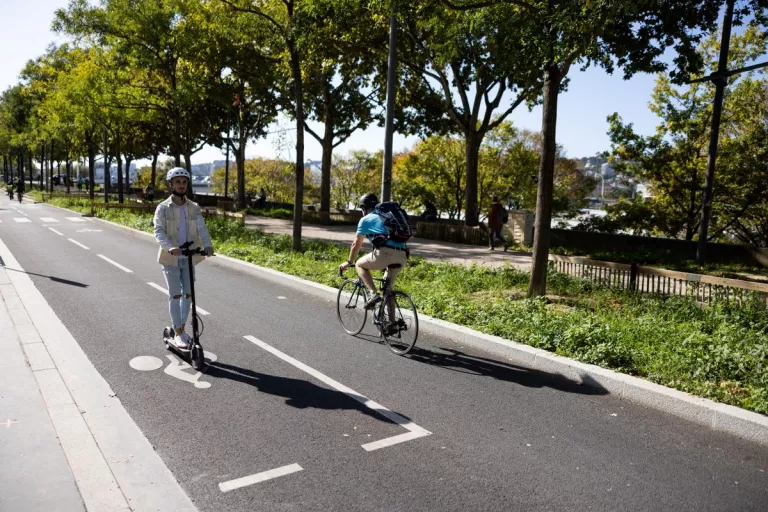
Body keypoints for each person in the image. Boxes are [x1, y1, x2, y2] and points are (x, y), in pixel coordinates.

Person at [153, 168, 215, 350]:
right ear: (170, 184)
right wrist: (170, 247)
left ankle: (182, 328)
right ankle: (178, 331)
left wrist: (208, 245)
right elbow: (158, 231)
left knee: (188, 294)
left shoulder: (193, 207)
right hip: (170, 258)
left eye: (184, 182)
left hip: (188, 256)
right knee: (176, 294)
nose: (181, 185)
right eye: (178, 182)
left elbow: (202, 228)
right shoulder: (163, 208)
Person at [338, 193, 408, 318]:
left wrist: (349, 262)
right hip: (403, 254)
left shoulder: (365, 219)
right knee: (388, 290)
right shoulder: (388, 217)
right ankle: (392, 323)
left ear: (364, 208)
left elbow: (356, 244)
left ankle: (373, 294)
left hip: (385, 253)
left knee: (359, 264)